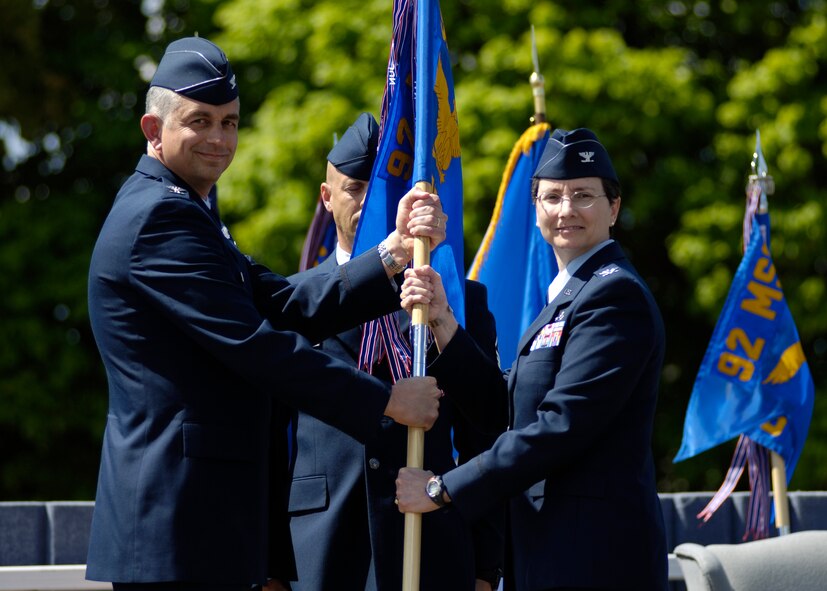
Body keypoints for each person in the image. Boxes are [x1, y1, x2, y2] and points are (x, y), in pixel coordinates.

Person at [86, 36, 448, 591]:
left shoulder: (187, 210)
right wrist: (386, 401)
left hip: (197, 523)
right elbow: (256, 345)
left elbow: (283, 303)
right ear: (153, 130)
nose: (218, 138)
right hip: (177, 524)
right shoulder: (160, 217)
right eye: (200, 121)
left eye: (229, 122)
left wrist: (394, 252)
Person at [396, 128, 668, 591]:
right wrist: (442, 320)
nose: (566, 210)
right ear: (537, 209)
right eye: (552, 197)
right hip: (548, 548)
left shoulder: (614, 296)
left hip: (595, 557)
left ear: (614, 208)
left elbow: (560, 426)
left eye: (583, 195)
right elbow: (504, 409)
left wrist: (442, 489)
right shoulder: (569, 296)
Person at [283, 112, 507, 591]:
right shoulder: (295, 299)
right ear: (326, 197)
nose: (370, 201)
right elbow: (268, 435)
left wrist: (486, 566)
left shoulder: (455, 298)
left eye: (385, 188)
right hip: (322, 549)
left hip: (430, 542)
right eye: (354, 188)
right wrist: (268, 564)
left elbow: (484, 434)